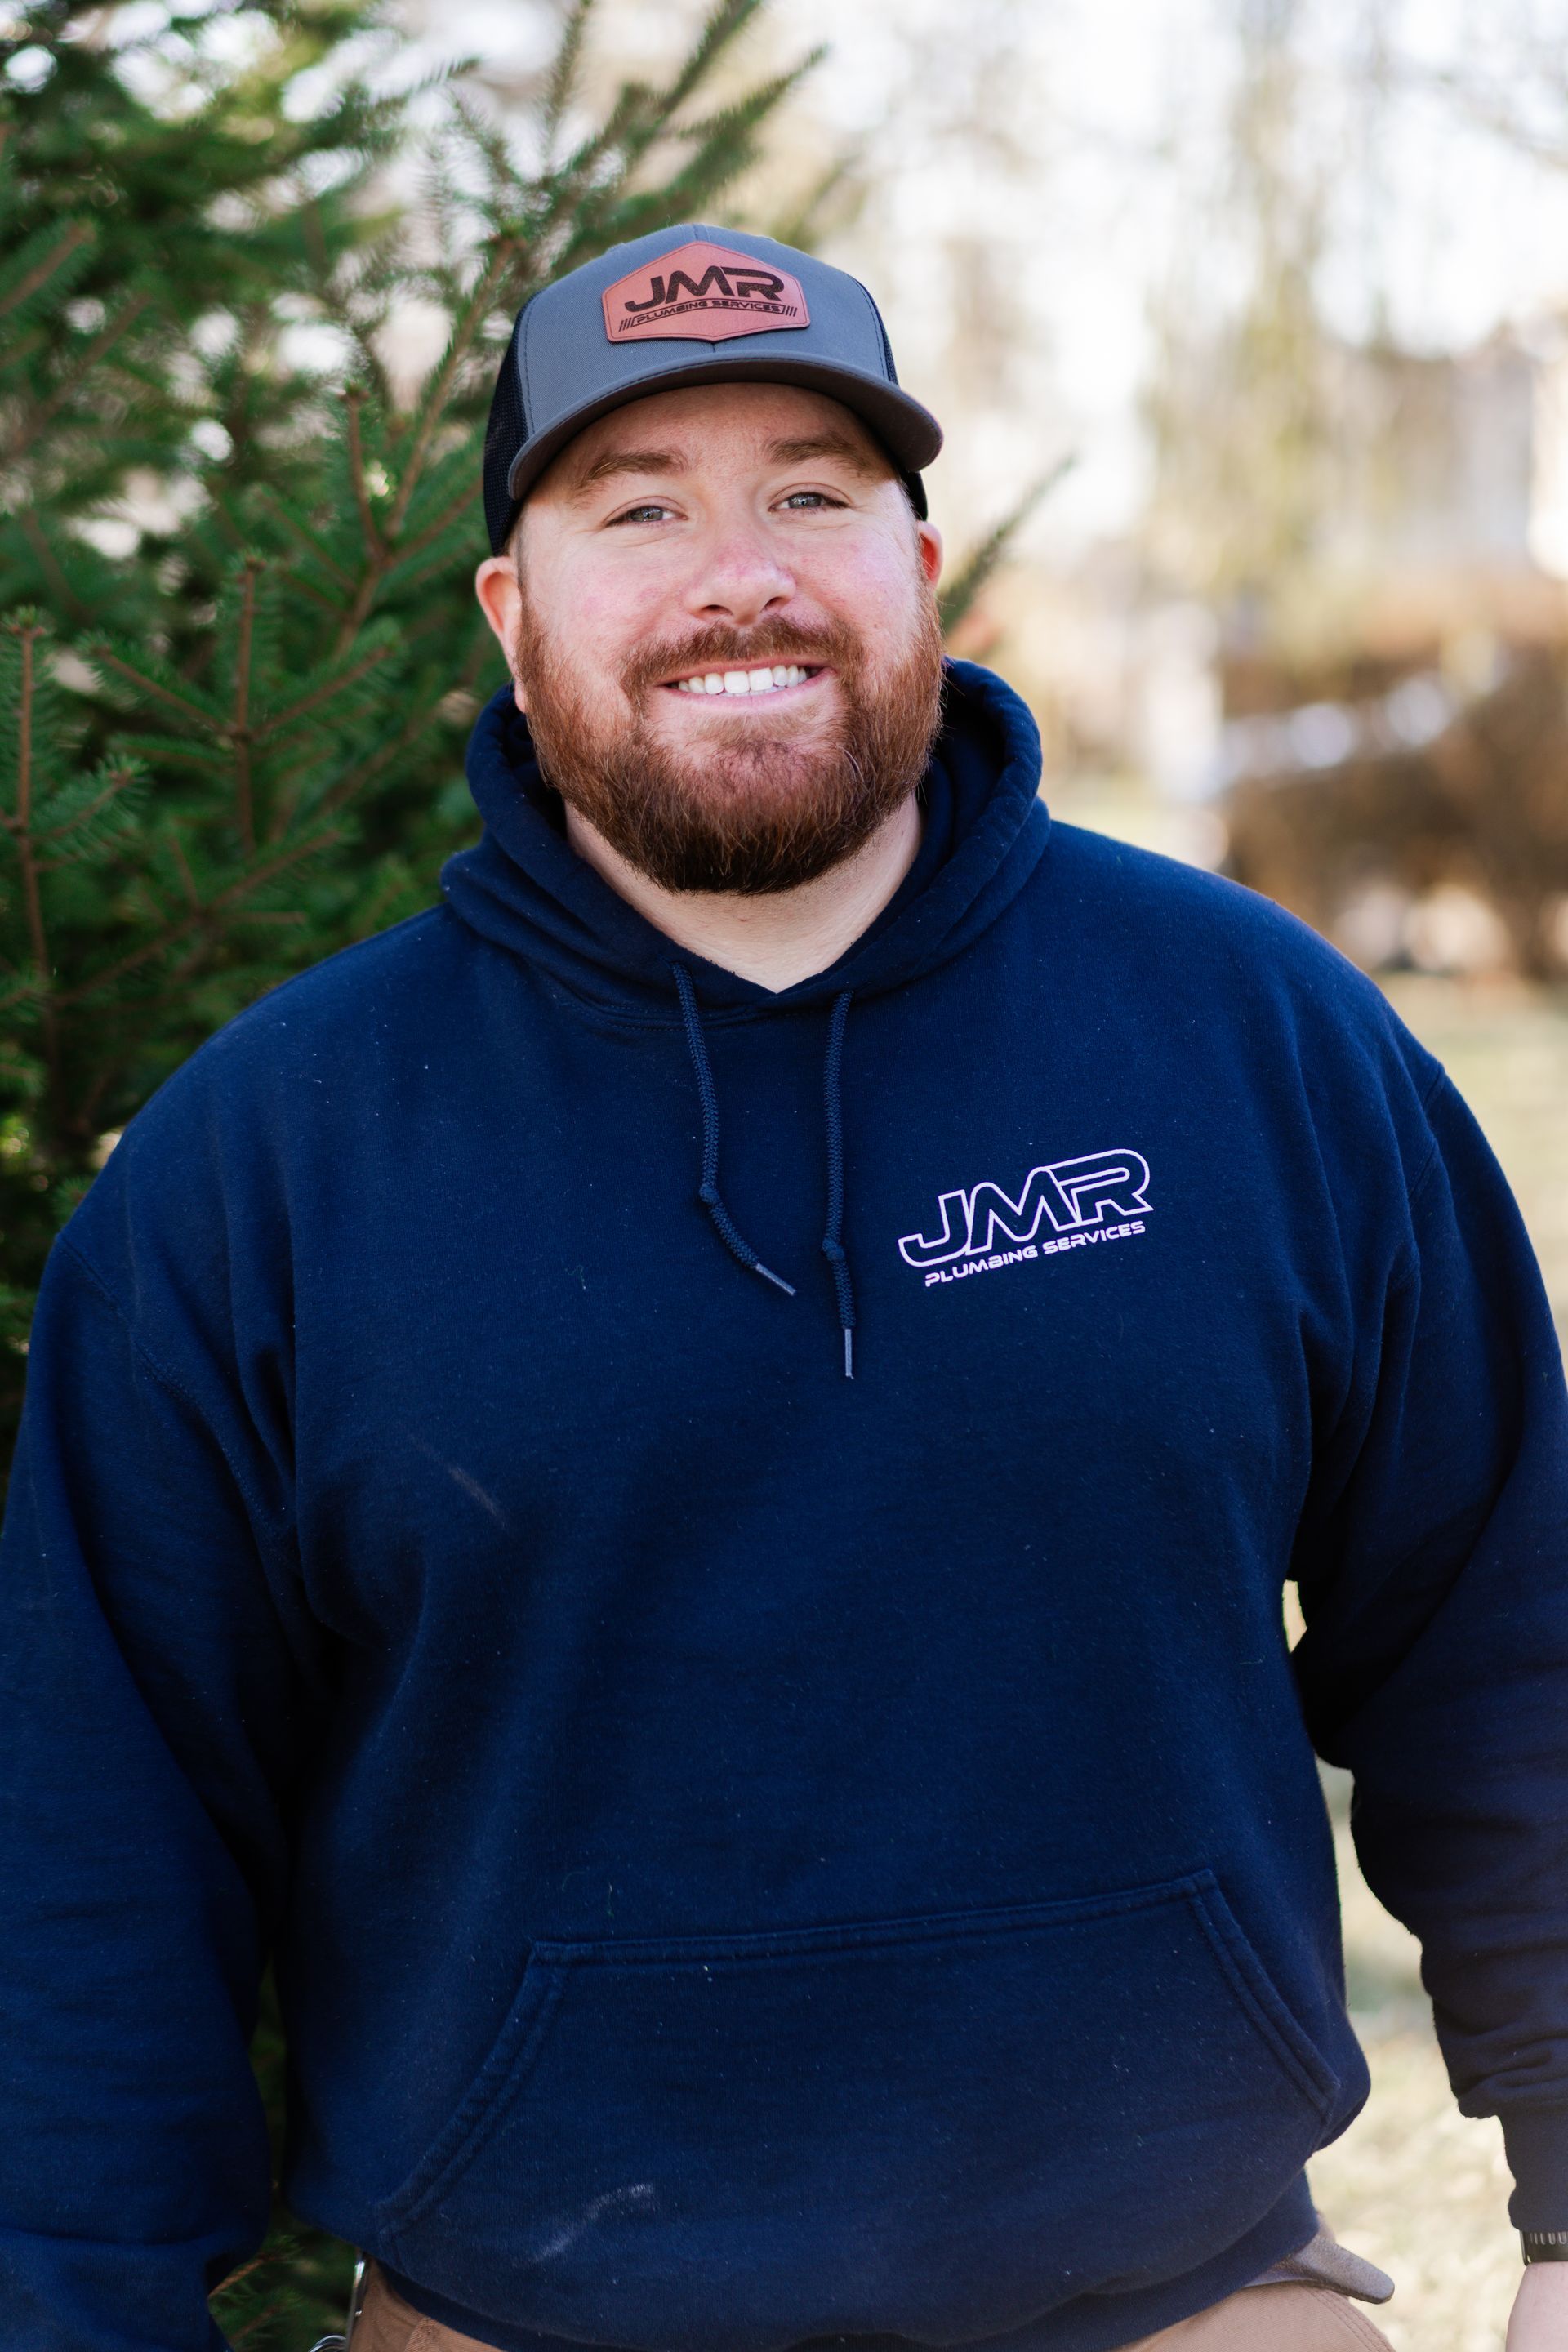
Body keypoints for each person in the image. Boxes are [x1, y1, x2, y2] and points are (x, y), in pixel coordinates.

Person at [2, 225, 1566, 2352]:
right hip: (516, 2319)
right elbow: (92, 1851)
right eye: (636, 508)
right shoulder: (268, 1166)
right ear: (511, 608)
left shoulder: (1255, 1045)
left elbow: (1514, 1650)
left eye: (811, 493)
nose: (737, 571)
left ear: (919, 563)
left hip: (1189, 2306)